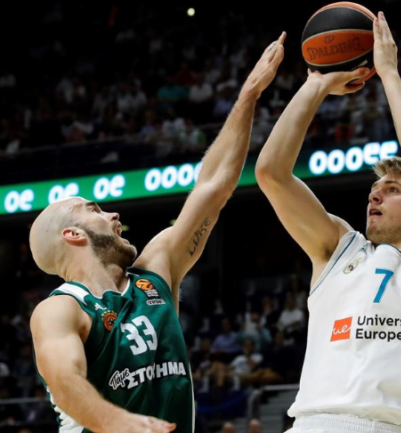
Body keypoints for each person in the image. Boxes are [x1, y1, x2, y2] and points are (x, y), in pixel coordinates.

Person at [29, 33, 286, 433]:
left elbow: (214, 186)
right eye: (94, 210)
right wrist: (120, 422)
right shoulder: (60, 309)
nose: (114, 214)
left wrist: (249, 94)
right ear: (73, 235)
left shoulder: (155, 271)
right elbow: (64, 381)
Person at [255, 11, 401, 433]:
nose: (375, 195)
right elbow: (271, 173)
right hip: (312, 425)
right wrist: (317, 83)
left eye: (392, 189)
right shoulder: (338, 248)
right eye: (375, 190)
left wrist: (388, 73)